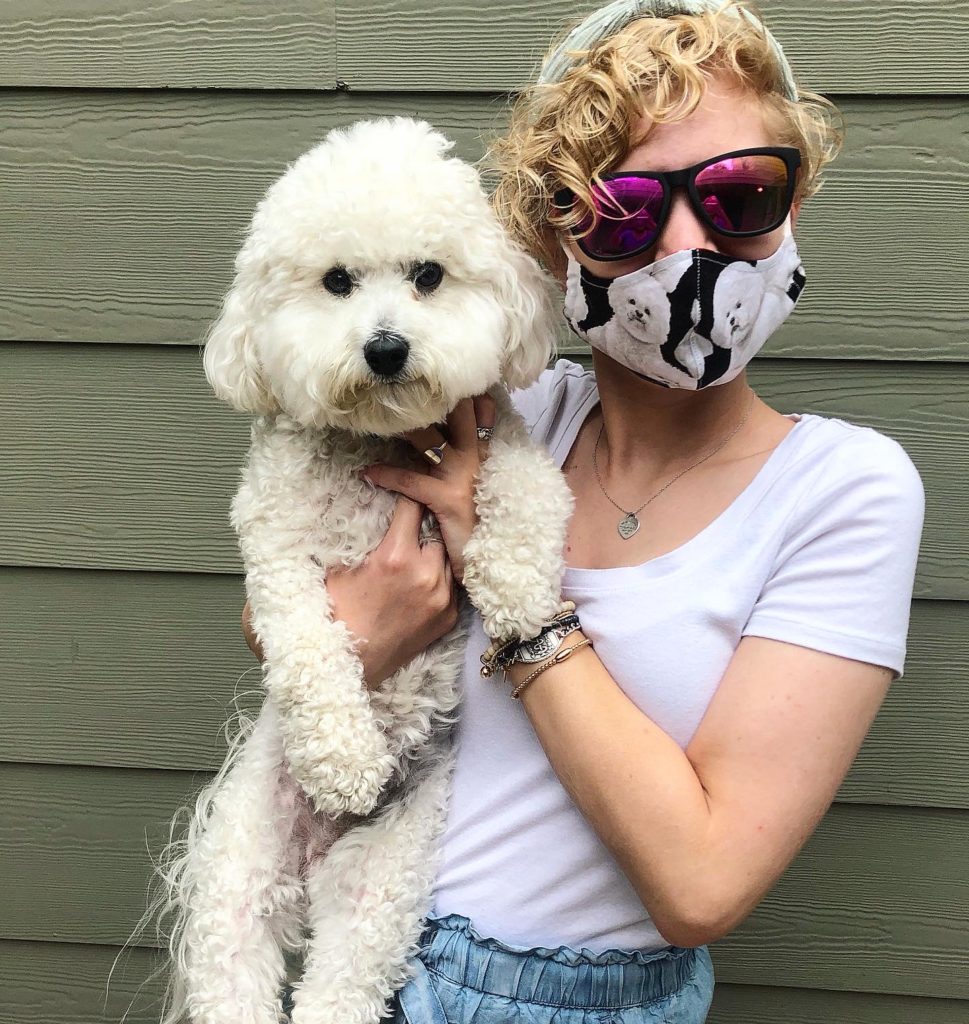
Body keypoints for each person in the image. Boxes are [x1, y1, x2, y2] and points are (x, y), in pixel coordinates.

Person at [245, 2, 925, 1020]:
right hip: (375, 969)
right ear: (554, 244)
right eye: (625, 212)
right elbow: (279, 606)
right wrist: (362, 638)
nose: (691, 247)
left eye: (742, 194)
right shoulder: (504, 418)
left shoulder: (843, 490)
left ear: (795, 202)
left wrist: (519, 606)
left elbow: (701, 882)